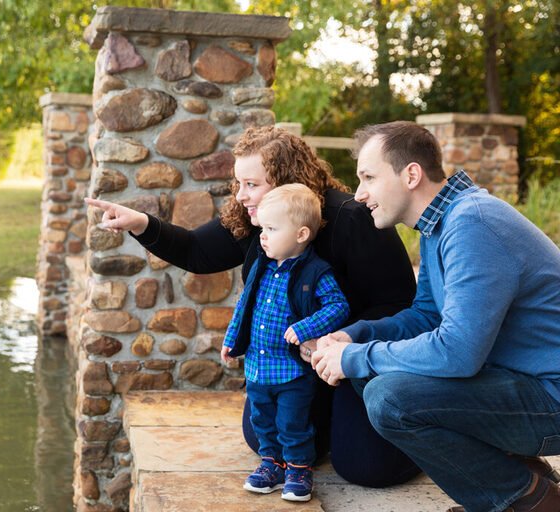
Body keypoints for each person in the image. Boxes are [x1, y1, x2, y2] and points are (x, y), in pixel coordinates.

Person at [85, 125, 420, 487]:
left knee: (364, 468)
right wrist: (141, 223)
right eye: (238, 183)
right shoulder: (255, 220)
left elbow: (399, 302)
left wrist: (337, 339)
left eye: (252, 184)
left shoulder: (351, 219)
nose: (242, 195)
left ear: (287, 180)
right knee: (262, 439)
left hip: (356, 358)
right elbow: (197, 250)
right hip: (296, 368)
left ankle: (433, 432)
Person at [312, 120, 560, 511]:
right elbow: (427, 315)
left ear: (411, 174)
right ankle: (524, 478)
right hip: (522, 383)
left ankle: (528, 500)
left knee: (388, 397)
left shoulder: (472, 223)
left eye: (369, 177)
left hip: (552, 396)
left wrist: (357, 357)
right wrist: (356, 337)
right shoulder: (440, 225)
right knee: (370, 369)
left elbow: (457, 352)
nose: (359, 194)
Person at [220, 184, 350, 501]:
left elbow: (338, 306)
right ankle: (271, 465)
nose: (262, 236)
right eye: (262, 228)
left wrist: (307, 327)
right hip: (258, 366)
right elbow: (244, 306)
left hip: (291, 370)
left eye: (272, 229)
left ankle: (299, 469)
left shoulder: (316, 272)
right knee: (261, 419)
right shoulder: (262, 267)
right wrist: (231, 340)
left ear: (301, 234)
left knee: (293, 422)